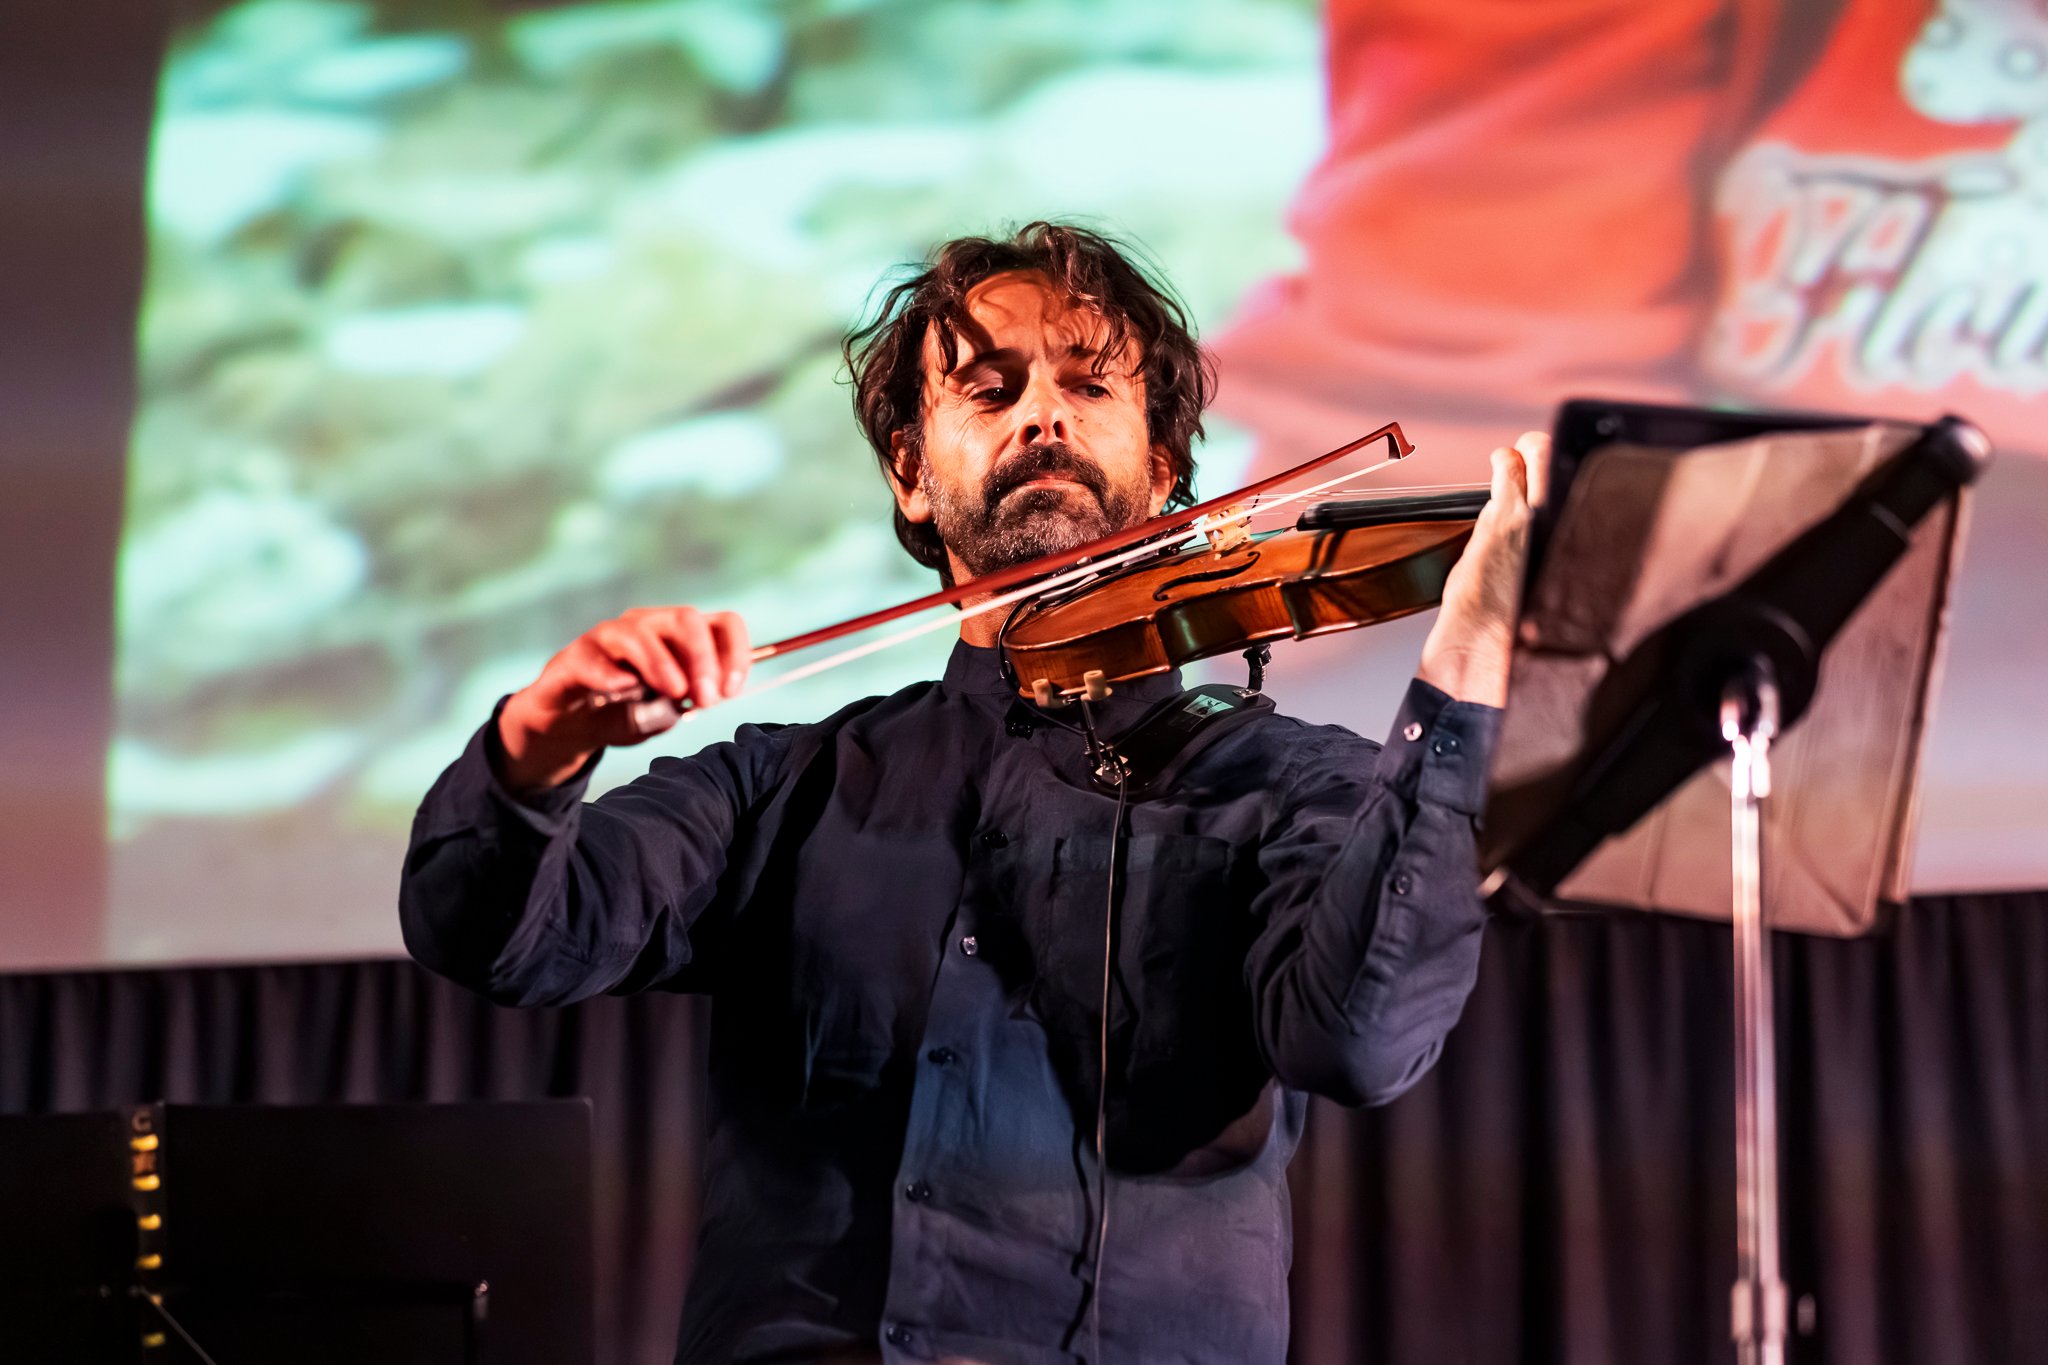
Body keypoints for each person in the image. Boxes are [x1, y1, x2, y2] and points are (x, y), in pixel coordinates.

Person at [400, 221, 1545, 1365]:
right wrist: (542, 740)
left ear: (1162, 471)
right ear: (910, 472)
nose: (1041, 415)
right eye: (988, 392)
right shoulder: (780, 785)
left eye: (1088, 385)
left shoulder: (1292, 786)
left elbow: (1359, 1040)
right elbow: (502, 936)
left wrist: (1465, 673)